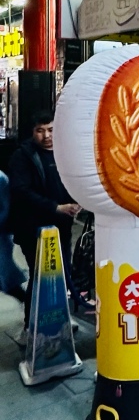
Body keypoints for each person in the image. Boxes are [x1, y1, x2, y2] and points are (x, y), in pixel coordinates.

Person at [8, 110, 85, 342]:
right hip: (33, 228)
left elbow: (76, 179)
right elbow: (21, 192)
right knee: (39, 276)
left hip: (61, 226)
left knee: (62, 272)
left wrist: (79, 201)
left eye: (51, 129)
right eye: (40, 130)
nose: (46, 135)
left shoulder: (65, 152)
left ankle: (60, 316)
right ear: (32, 132)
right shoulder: (23, 156)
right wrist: (55, 207)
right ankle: (30, 326)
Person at [0, 168, 26, 304]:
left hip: (1, 236)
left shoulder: (1, 179)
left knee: (7, 278)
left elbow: (6, 209)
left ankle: (31, 305)